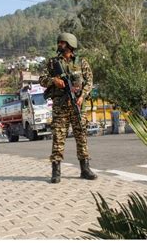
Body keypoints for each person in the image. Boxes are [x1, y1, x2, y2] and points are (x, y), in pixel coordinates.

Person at [39, 32, 97, 183]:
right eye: (59, 42)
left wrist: (82, 96)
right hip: (60, 107)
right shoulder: (52, 63)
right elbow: (42, 80)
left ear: (70, 45)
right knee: (58, 138)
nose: (59, 45)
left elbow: (89, 82)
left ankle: (85, 169)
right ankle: (56, 171)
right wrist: (54, 81)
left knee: (81, 137)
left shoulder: (82, 63)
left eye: (62, 43)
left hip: (78, 106)